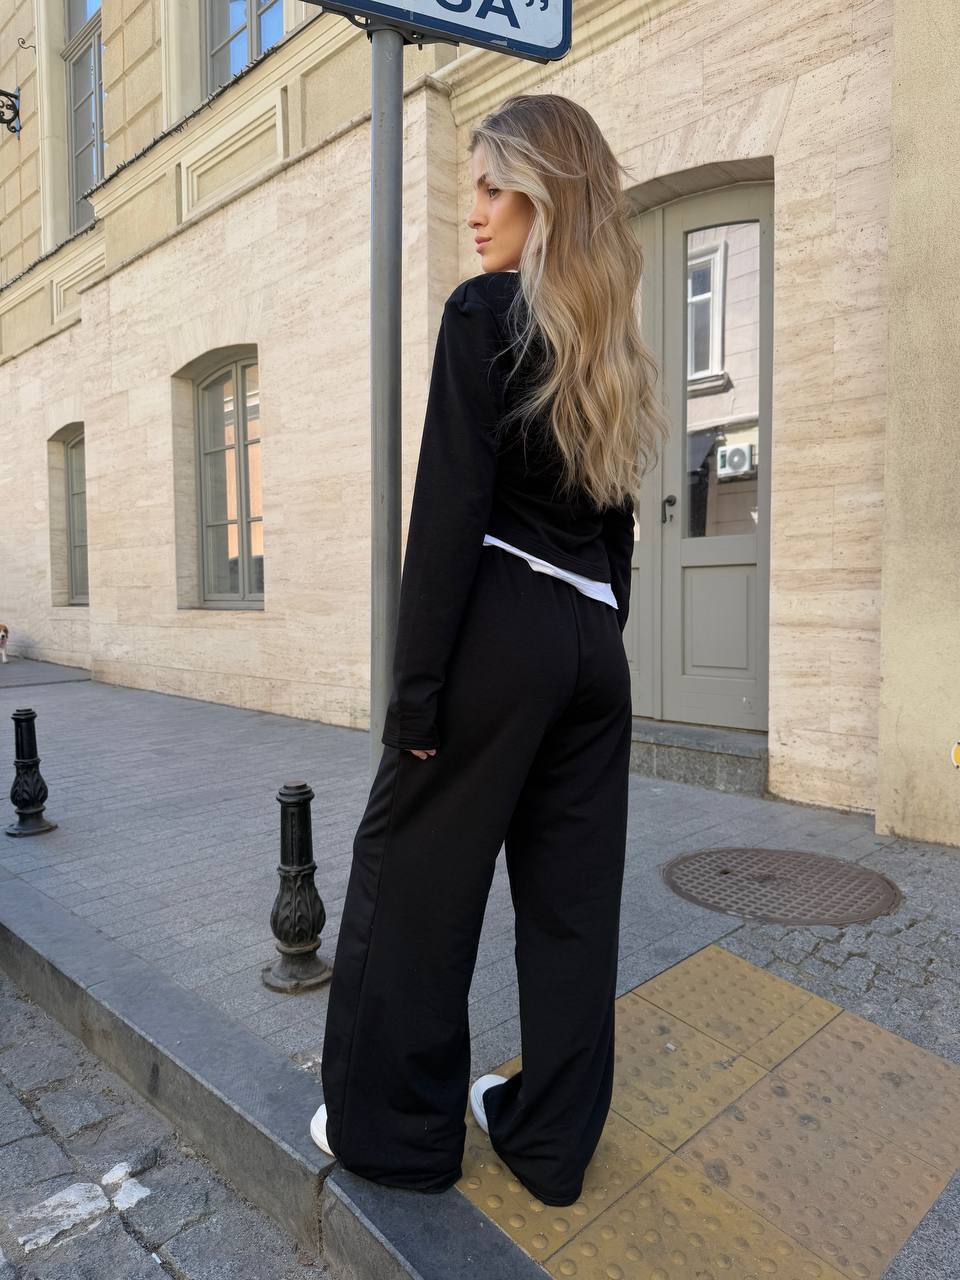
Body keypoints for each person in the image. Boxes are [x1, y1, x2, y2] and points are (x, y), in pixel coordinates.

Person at [310, 93, 670, 1208]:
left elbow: (450, 514)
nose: (473, 210)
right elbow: (617, 522)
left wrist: (415, 698)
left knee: (414, 880)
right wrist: (595, 632)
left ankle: (397, 1137)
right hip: (590, 650)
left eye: (493, 186)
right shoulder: (610, 343)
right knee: (572, 909)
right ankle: (551, 1145)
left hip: (499, 628)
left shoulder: (484, 313)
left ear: (545, 198)